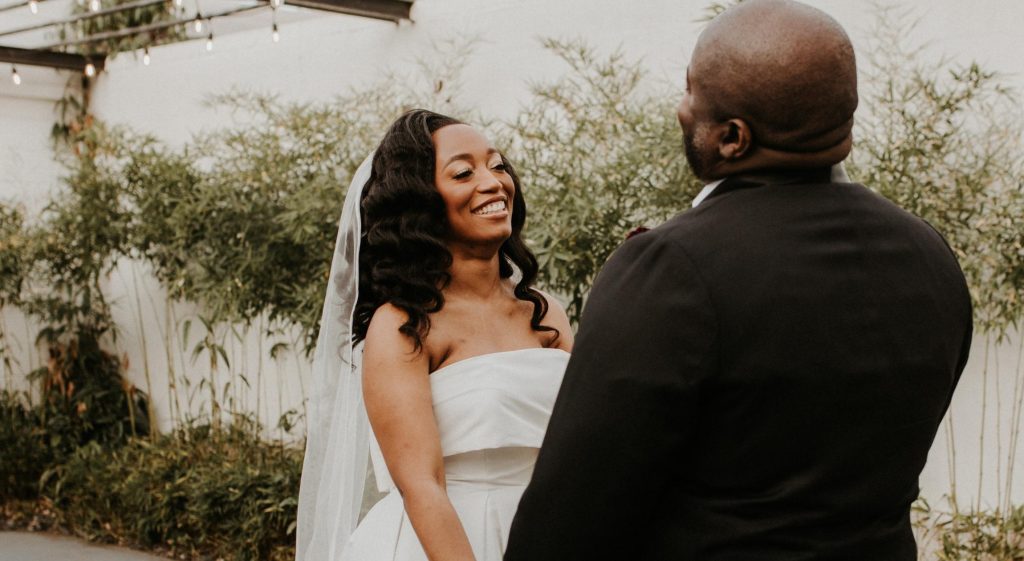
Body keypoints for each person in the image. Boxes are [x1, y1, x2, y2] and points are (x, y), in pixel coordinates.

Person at [505, 1, 973, 560]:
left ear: (732, 137)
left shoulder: (670, 268)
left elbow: (570, 519)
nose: (681, 108)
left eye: (690, 93)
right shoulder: (930, 255)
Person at [296, 109, 573, 561]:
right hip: (447, 541)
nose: (493, 182)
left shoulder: (543, 311)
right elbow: (421, 484)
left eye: (498, 165)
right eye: (464, 172)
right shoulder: (404, 324)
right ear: (420, 200)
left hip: (550, 533)